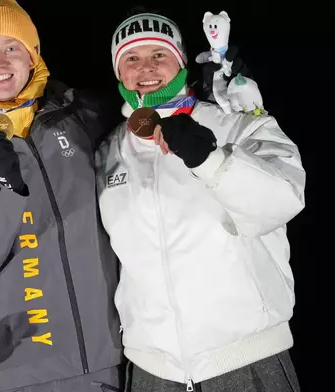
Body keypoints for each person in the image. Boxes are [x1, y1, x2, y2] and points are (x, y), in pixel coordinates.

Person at [95, 9, 306, 392]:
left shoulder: (236, 122)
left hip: (247, 361)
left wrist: (211, 159)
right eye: (131, 58)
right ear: (118, 71)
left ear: (180, 60)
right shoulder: (107, 152)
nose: (146, 67)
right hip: (152, 371)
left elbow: (284, 199)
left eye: (159, 55)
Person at [0, 1, 124, 391]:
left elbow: (149, 129)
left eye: (12, 47)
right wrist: (2, 189)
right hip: (14, 374)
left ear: (32, 56)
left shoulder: (82, 115)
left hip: (105, 364)